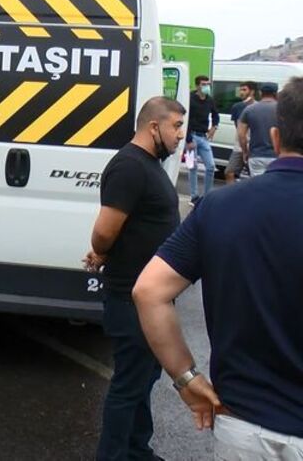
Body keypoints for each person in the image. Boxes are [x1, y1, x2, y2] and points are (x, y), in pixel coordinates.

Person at [133, 77, 303, 460]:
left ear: (275, 138)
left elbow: (149, 291)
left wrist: (186, 379)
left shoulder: (220, 207)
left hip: (241, 425)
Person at [84, 96, 187, 461]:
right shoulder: (129, 166)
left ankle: (136, 450)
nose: (180, 136)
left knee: (144, 379)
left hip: (151, 298)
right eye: (175, 126)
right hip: (131, 297)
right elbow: (105, 230)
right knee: (130, 383)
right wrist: (100, 251)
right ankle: (112, 455)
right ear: (153, 126)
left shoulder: (147, 165)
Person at [185, 75, 220, 205]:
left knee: (211, 166)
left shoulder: (210, 100)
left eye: (208, 84)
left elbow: (216, 115)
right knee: (192, 167)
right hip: (191, 136)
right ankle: (194, 196)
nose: (206, 86)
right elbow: (185, 119)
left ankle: (207, 196)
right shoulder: (189, 98)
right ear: (197, 86)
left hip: (203, 137)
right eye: (204, 84)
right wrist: (188, 140)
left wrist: (214, 127)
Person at [238, 83, 279, 176]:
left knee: (258, 187)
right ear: (275, 93)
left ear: (260, 93)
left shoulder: (249, 109)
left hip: (256, 155)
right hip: (277, 156)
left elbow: (241, 135)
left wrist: (245, 152)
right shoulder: (283, 109)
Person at [224, 81, 257, 184]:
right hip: (239, 146)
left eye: (244, 90)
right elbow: (237, 127)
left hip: (253, 146)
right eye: (240, 90)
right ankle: (232, 195)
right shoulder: (237, 107)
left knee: (254, 175)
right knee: (229, 172)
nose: (241, 92)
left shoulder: (257, 107)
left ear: (252, 92)